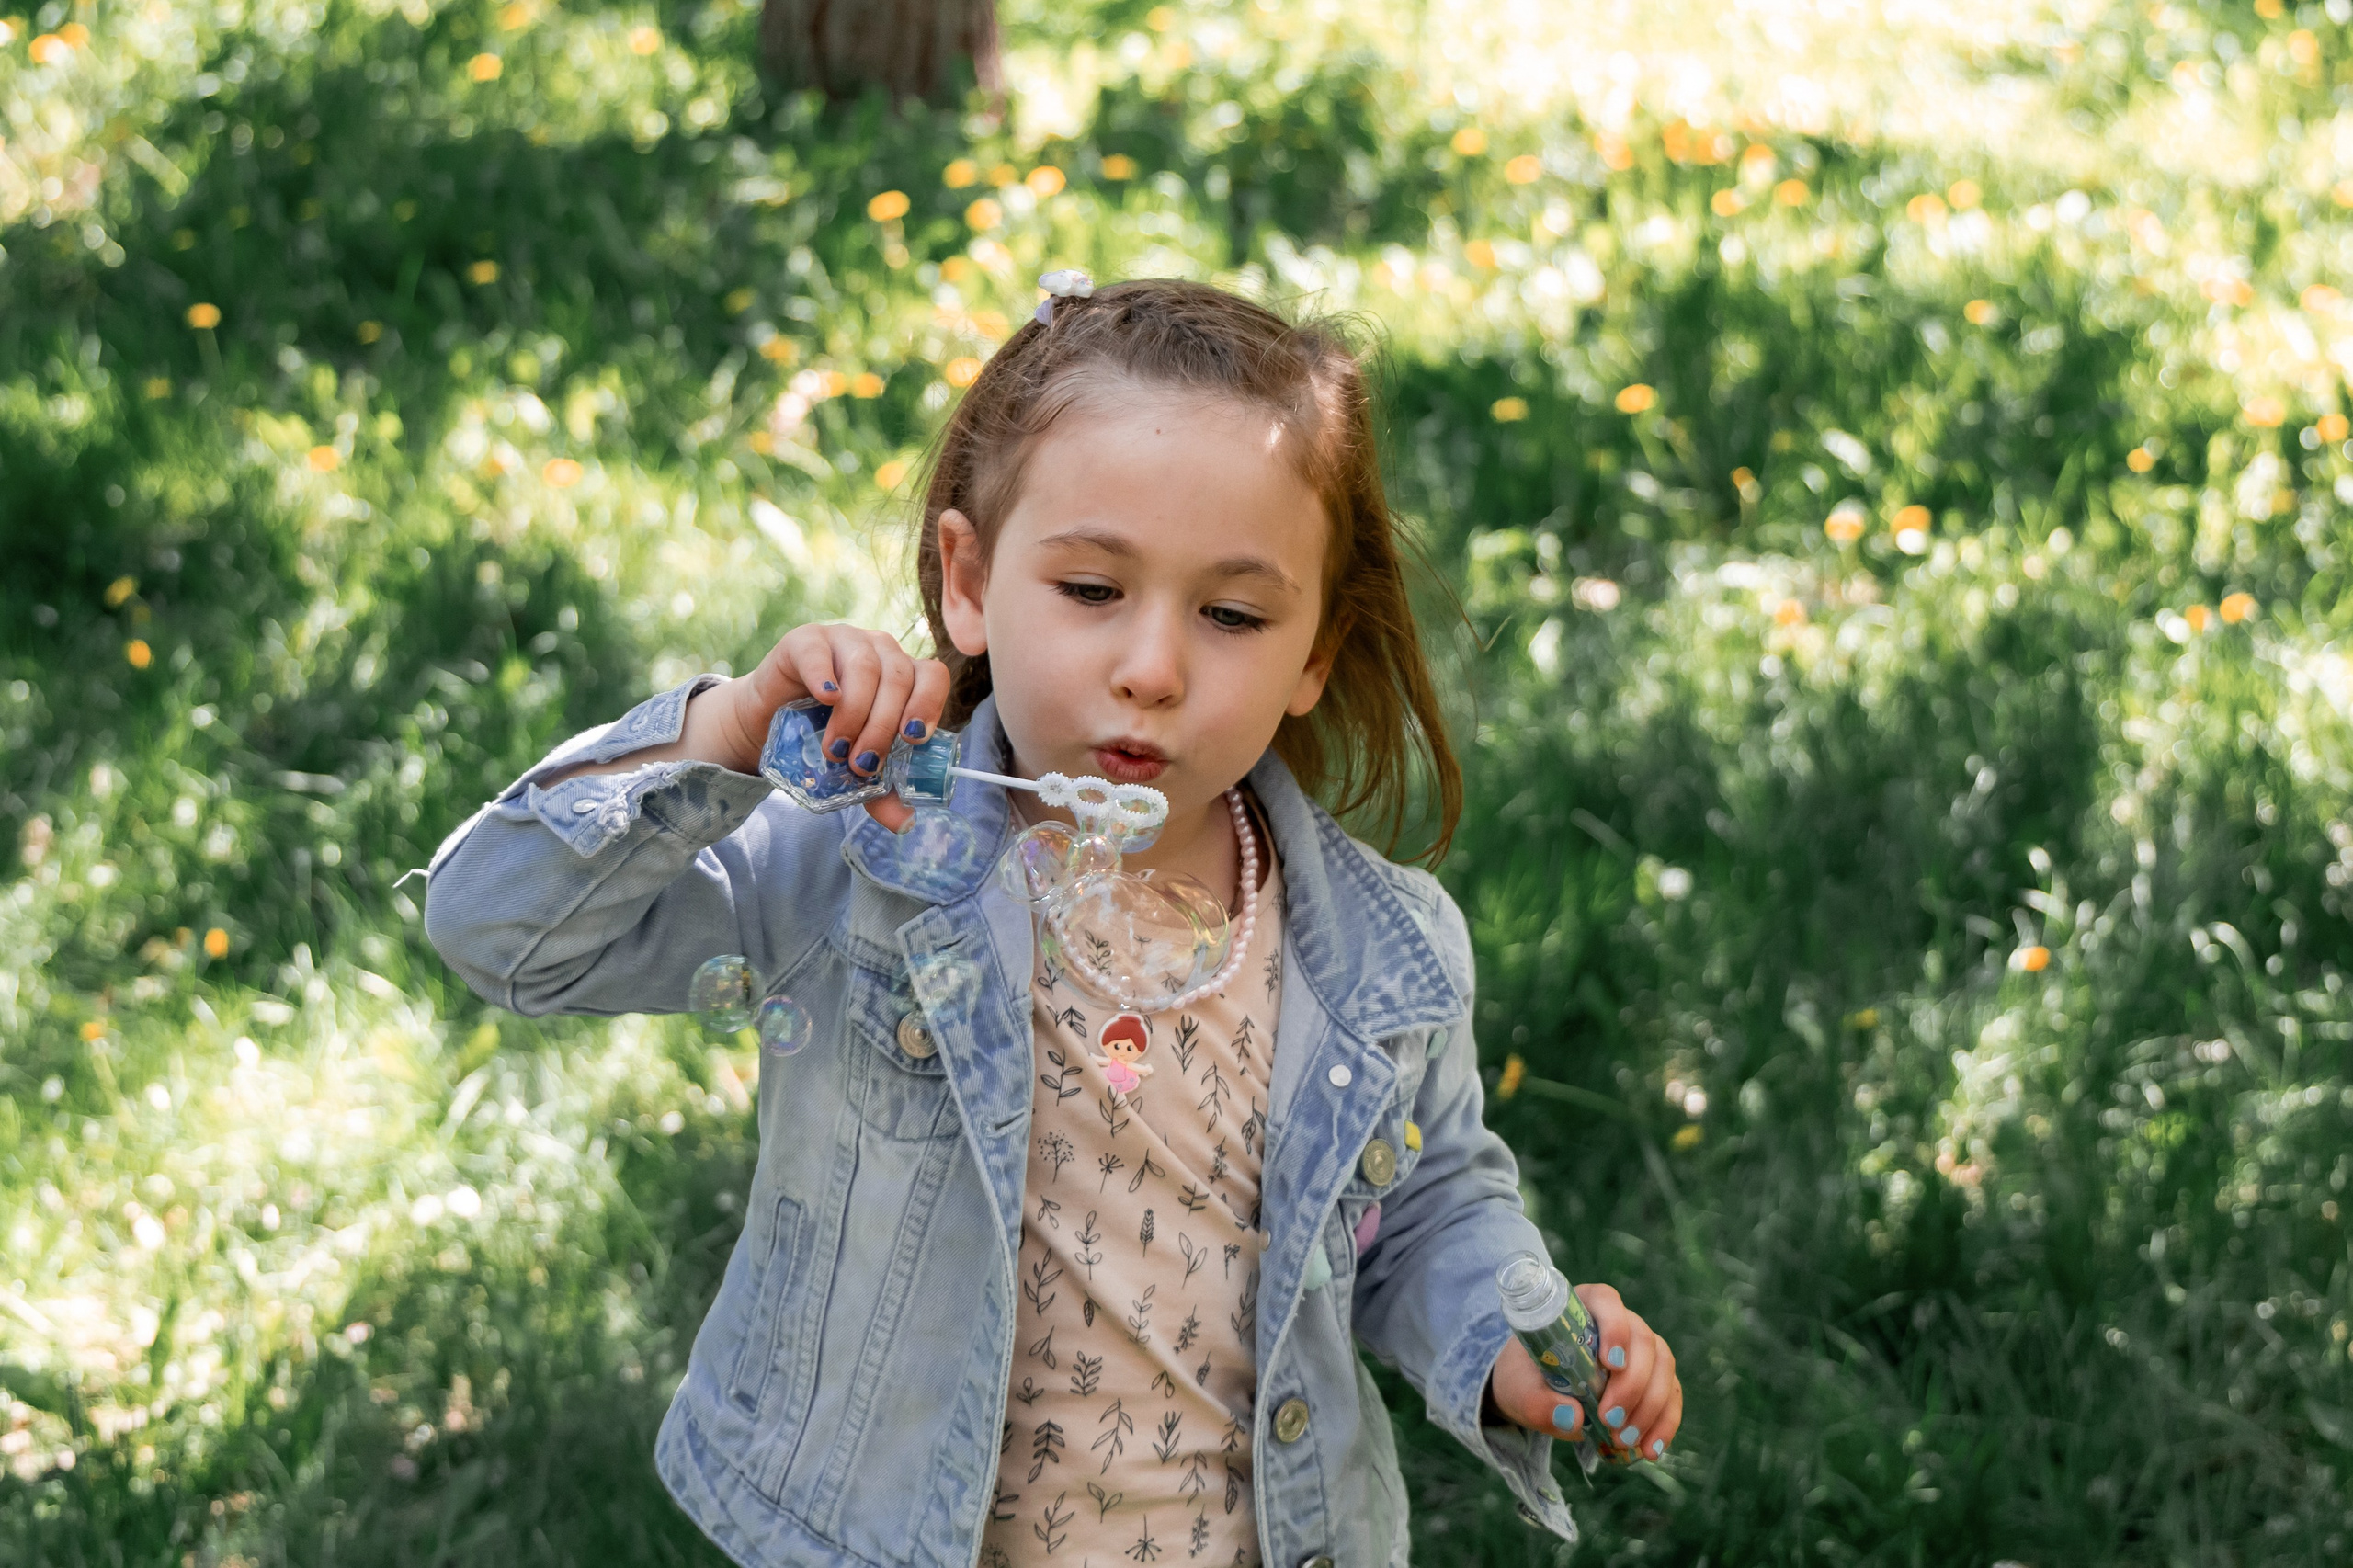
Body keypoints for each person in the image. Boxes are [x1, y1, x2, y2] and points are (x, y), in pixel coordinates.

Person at [423, 276, 1682, 1567]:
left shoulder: (1378, 948)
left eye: (1234, 614)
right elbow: (502, 928)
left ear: (1315, 652)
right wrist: (729, 733)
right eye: (1091, 588)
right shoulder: (857, 858)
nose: (1154, 665)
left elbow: (1420, 1210)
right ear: (968, 583)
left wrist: (1508, 1343)